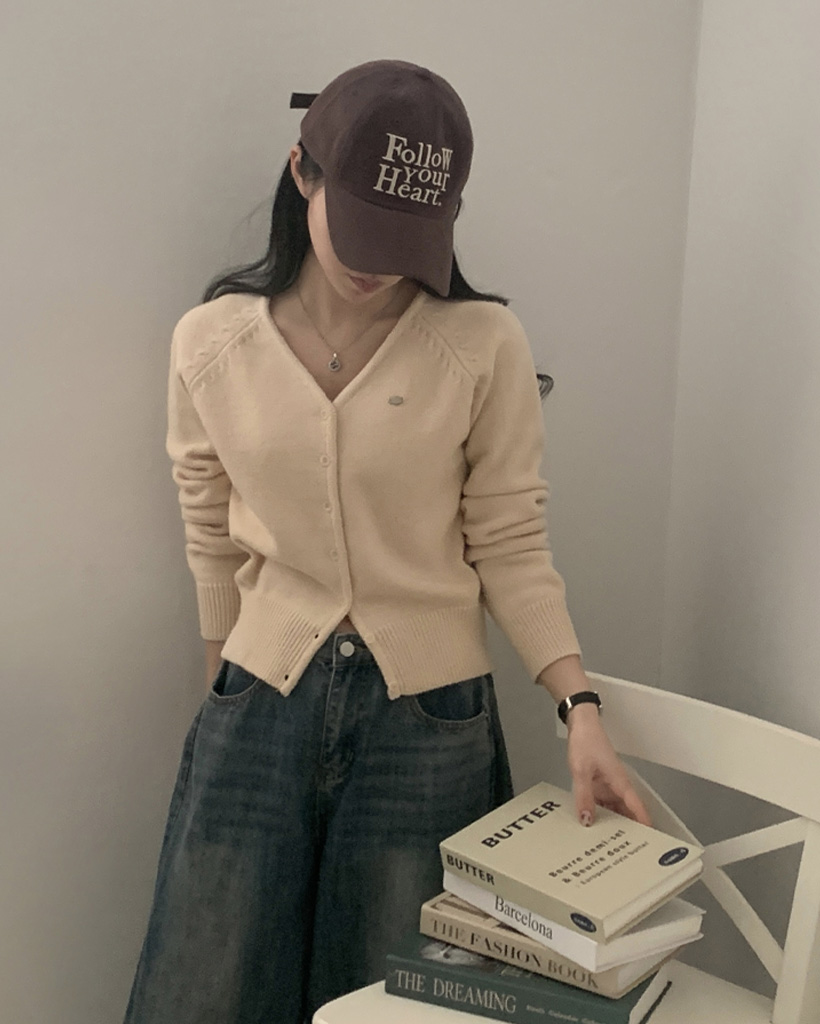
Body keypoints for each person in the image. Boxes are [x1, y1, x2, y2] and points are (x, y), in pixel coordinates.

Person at [123, 59, 650, 1024]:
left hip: (428, 725)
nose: (377, 266)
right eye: (360, 228)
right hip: (258, 699)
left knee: (396, 997)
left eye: (407, 241)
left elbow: (510, 540)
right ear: (302, 172)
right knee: (203, 990)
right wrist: (222, 694)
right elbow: (208, 530)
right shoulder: (211, 342)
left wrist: (578, 706)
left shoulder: (482, 343)